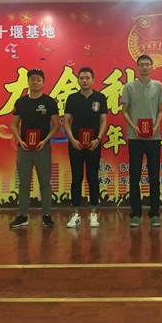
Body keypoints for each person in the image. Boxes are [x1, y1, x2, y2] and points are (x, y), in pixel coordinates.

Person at [9, 68, 59, 229]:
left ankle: (46, 215)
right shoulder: (20, 102)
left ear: (43, 83)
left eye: (38, 79)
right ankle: (22, 215)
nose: (35, 82)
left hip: (42, 149)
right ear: (28, 82)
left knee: (45, 183)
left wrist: (44, 141)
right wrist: (20, 140)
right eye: (32, 79)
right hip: (24, 149)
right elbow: (14, 125)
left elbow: (56, 126)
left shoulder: (50, 102)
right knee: (24, 183)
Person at [121, 54, 162, 227]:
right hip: (135, 137)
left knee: (154, 176)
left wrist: (156, 126)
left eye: (147, 64)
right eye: (142, 64)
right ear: (137, 67)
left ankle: (154, 213)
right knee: (134, 177)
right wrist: (133, 126)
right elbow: (124, 110)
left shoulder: (158, 86)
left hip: (154, 137)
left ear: (152, 66)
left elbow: (160, 110)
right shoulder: (129, 86)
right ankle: (136, 214)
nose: (145, 67)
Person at [63, 67, 108, 228]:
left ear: (93, 80)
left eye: (87, 78)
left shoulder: (100, 97)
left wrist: (98, 139)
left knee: (93, 177)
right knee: (76, 177)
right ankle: (75, 214)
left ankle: (93, 214)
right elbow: (66, 121)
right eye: (81, 78)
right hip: (75, 144)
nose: (84, 80)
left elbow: (103, 121)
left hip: (93, 145)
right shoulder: (72, 98)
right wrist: (72, 139)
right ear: (78, 80)